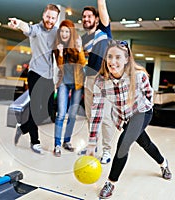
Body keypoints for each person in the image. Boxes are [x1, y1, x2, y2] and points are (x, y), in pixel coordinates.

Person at [86, 40, 172, 199]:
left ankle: (110, 183)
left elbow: (149, 95)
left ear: (126, 59)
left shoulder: (138, 76)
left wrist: (141, 112)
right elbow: (96, 111)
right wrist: (92, 141)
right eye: (110, 57)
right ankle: (164, 163)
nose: (113, 62)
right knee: (146, 143)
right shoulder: (101, 82)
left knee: (123, 144)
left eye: (118, 57)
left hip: (142, 112)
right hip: (123, 117)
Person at [8, 4, 60, 154]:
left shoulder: (56, 32)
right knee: (35, 109)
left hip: (49, 76)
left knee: (48, 111)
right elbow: (27, 28)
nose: (50, 20)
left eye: (53, 18)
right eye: (48, 16)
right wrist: (18, 23)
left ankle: (23, 127)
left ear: (56, 19)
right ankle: (34, 141)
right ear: (43, 16)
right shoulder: (37, 29)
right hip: (35, 73)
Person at [79, 0, 115, 164]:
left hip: (105, 80)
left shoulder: (104, 30)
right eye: (84, 16)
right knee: (89, 116)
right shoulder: (84, 38)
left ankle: (107, 151)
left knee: (105, 117)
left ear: (97, 19)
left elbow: (102, 7)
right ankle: (92, 146)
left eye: (89, 16)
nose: (86, 19)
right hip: (89, 79)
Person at [52, 20, 87, 157]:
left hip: (77, 84)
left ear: (71, 32)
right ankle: (57, 144)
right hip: (63, 83)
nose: (64, 33)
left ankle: (67, 141)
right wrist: (60, 53)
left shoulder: (77, 43)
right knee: (61, 114)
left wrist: (80, 50)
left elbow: (83, 63)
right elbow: (59, 66)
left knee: (72, 115)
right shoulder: (58, 46)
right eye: (62, 31)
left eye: (67, 31)